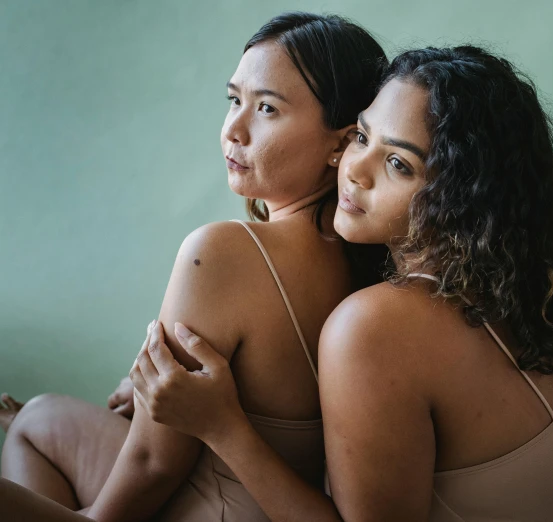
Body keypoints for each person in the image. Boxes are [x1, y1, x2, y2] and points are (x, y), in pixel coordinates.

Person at [130, 45, 553, 521]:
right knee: (51, 420)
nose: (353, 168)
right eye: (362, 138)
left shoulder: (376, 325)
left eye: (398, 164)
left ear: (461, 199)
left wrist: (221, 426)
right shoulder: (516, 300)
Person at [0, 11, 387, 521]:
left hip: (215, 507)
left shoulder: (223, 251)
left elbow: (154, 460)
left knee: (26, 432)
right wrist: (148, 393)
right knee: (39, 416)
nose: (234, 130)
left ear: (340, 144)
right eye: (234, 100)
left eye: (267, 109)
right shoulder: (372, 251)